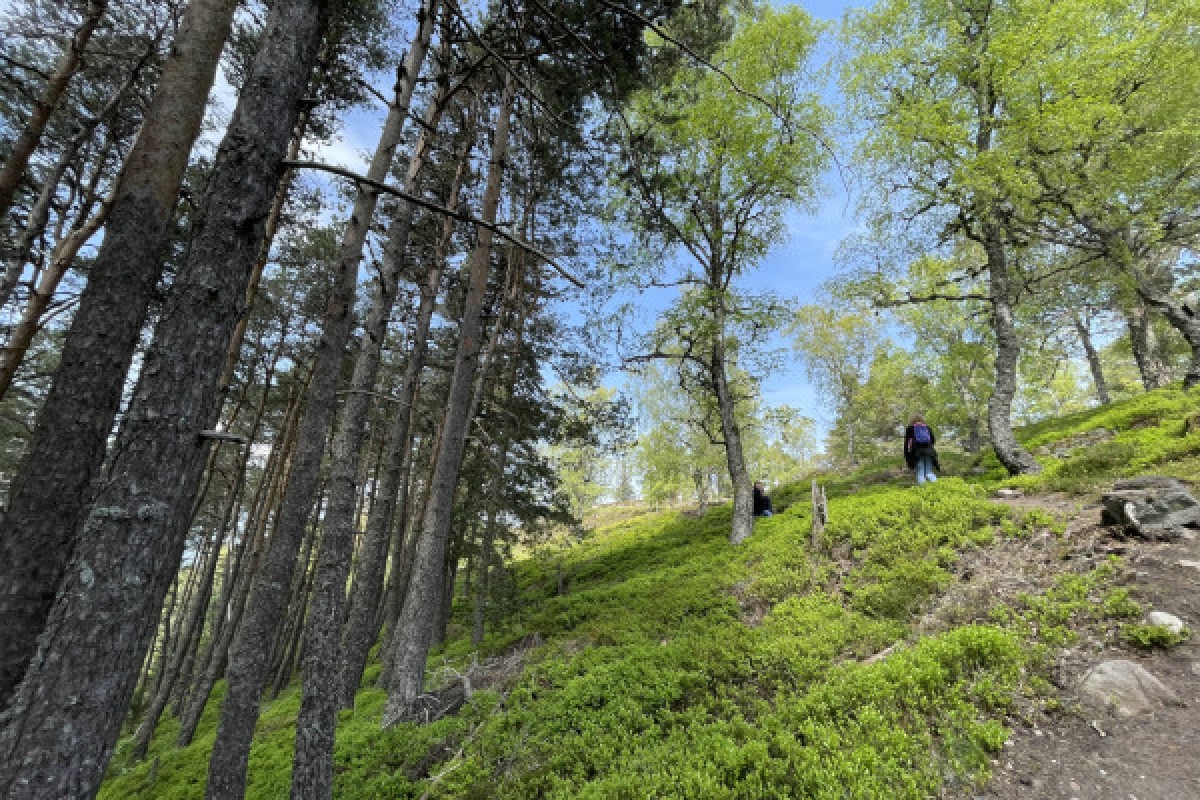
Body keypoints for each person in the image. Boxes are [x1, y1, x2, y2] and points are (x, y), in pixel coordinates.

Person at [904, 414, 940, 484]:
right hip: (929, 452)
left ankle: (923, 490)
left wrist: (907, 455)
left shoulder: (910, 428)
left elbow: (906, 444)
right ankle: (936, 487)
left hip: (917, 453)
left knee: (920, 472)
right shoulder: (928, 428)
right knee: (929, 472)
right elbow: (933, 441)